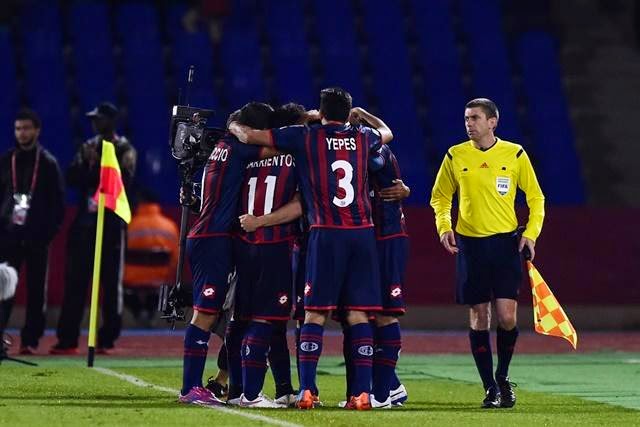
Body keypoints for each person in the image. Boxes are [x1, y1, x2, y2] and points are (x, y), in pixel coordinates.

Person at [229, 87, 393, 410]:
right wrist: (361, 114)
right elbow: (387, 133)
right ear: (348, 113)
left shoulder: (306, 137)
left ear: (321, 112)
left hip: (325, 233)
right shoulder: (362, 137)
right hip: (361, 235)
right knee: (358, 313)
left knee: (314, 313)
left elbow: (250, 138)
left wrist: (232, 125)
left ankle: (306, 391)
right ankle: (360, 395)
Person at [429, 98, 545, 408]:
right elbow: (440, 197)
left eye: (475, 118)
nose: (469, 123)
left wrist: (531, 234)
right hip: (470, 245)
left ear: (493, 121)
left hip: (505, 244)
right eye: (466, 118)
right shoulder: (455, 155)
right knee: (480, 316)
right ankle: (489, 387)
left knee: (507, 317)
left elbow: (536, 199)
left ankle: (503, 376)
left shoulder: (515, 153)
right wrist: (444, 227)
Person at [178, 102, 277, 406]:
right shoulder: (239, 148)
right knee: (205, 313)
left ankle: (203, 384)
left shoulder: (220, 148)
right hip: (213, 239)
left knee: (210, 312)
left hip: (208, 235)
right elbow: (278, 149)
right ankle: (191, 388)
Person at [227, 103, 308, 408]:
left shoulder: (244, 156)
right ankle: (251, 394)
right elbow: (299, 206)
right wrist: (262, 221)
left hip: (242, 244)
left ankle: (247, 390)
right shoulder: (295, 157)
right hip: (274, 245)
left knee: (243, 320)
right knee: (268, 319)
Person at [51, 102, 136, 355]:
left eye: (99, 119)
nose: (94, 123)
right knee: (75, 282)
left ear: (111, 120)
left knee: (111, 284)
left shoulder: (124, 148)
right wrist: (88, 166)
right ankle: (67, 338)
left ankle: (107, 337)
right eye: (93, 119)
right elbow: (71, 178)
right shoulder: (87, 146)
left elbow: (124, 183)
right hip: (85, 223)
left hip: (111, 225)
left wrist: (99, 163)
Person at [0, 109, 65, 355]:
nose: (22, 133)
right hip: (9, 237)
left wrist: (47, 234)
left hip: (37, 238)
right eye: (18, 129)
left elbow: (58, 204)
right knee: (4, 288)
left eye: (26, 128)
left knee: (37, 291)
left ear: (37, 131)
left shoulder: (48, 163)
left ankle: (30, 340)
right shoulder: (7, 160)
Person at [123, 190, 179, 327]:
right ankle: (151, 311)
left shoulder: (129, 225)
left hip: (131, 279)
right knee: (164, 288)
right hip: (161, 279)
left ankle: (138, 311)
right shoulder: (169, 226)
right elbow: (176, 258)